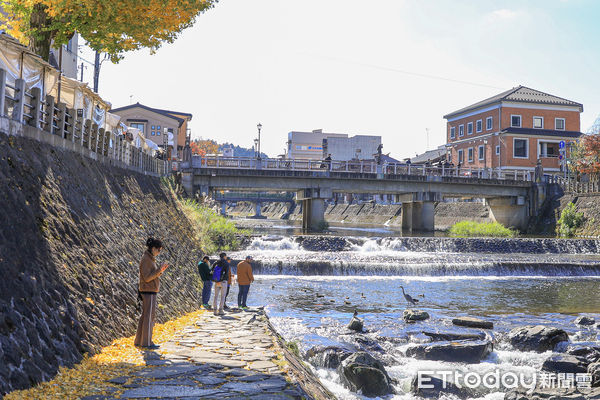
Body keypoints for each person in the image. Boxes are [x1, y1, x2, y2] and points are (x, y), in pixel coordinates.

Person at [134, 238, 169, 349]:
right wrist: (159, 270)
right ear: (153, 248)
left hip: (149, 290)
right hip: (148, 291)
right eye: (158, 250)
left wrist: (160, 270)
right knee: (149, 317)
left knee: (145, 316)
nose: (159, 252)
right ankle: (147, 342)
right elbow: (147, 277)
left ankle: (139, 341)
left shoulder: (149, 259)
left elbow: (151, 275)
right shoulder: (146, 259)